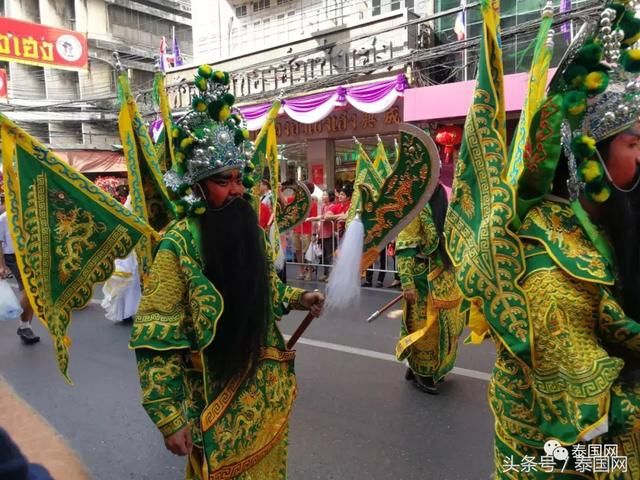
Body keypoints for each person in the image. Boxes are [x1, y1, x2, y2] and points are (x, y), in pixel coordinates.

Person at [445, 2, 640, 476]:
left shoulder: (614, 228)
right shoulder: (549, 265)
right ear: (588, 154)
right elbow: (590, 424)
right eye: (634, 143)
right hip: (558, 455)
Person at [131, 67, 324, 480]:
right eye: (223, 181)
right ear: (198, 185)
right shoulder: (178, 245)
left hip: (263, 393)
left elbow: (264, 291)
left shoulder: (249, 229)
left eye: (238, 179)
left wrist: (298, 298)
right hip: (212, 402)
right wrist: (168, 416)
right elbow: (155, 338)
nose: (236, 190)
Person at [396, 184, 463, 394]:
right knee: (424, 327)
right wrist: (407, 283)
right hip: (422, 276)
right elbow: (405, 247)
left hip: (443, 275)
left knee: (446, 325)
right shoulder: (415, 205)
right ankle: (422, 372)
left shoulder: (442, 199)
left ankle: (429, 369)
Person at [0, 196, 40, 345]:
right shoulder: (4, 218)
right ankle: (24, 327)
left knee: (34, 292)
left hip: (29, 256)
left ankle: (25, 326)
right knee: (29, 291)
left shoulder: (28, 215)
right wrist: (1, 265)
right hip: (13, 257)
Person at [307, 190, 336, 282]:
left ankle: (331, 274)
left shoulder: (333, 206)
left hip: (329, 234)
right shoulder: (323, 206)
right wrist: (316, 233)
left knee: (329, 255)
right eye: (323, 195)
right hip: (322, 234)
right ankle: (325, 273)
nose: (323, 197)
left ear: (330, 197)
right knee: (323, 256)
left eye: (325, 195)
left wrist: (313, 218)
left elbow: (324, 217)